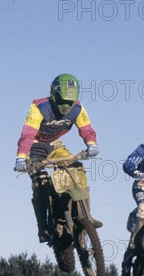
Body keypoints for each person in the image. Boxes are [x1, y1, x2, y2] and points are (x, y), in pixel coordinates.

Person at [14, 73, 101, 243]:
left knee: (76, 168)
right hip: (35, 146)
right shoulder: (39, 107)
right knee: (41, 182)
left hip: (55, 144)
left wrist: (92, 144)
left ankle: (85, 215)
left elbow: (86, 127)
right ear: (54, 95)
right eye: (62, 101)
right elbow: (28, 134)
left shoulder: (77, 108)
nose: (65, 107)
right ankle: (43, 228)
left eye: (69, 103)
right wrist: (21, 157)